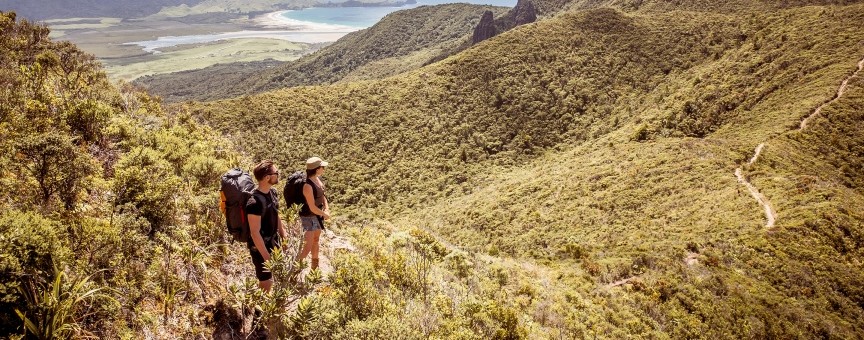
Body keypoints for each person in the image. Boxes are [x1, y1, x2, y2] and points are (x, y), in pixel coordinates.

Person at [247, 160, 288, 292]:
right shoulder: (254, 202)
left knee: (274, 279)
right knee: (266, 282)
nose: (278, 174)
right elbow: (254, 233)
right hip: (259, 247)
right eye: (276, 173)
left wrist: (283, 235)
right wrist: (266, 257)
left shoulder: (273, 193)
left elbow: (276, 214)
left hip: (273, 241)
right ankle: (259, 312)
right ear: (267, 177)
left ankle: (269, 308)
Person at [295, 157, 330, 270]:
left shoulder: (318, 180)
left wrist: (327, 208)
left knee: (316, 240)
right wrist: (325, 214)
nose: (324, 169)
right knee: (308, 246)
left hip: (318, 215)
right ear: (316, 169)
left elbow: (322, 195)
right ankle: (295, 270)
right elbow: (312, 207)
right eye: (322, 167)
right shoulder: (307, 186)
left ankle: (314, 267)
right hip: (308, 217)